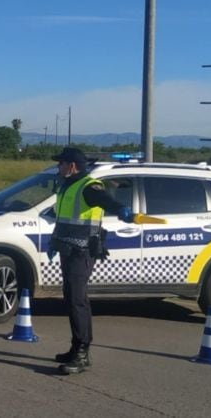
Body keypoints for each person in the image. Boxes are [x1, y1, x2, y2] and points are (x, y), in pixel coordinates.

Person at [48, 147, 133, 375]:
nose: (58, 167)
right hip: (68, 250)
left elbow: (104, 200)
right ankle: (76, 347)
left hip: (83, 252)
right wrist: (54, 242)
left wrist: (120, 208)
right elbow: (64, 219)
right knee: (71, 297)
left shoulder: (88, 186)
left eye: (61, 164)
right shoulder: (68, 186)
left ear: (72, 166)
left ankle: (82, 353)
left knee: (77, 300)